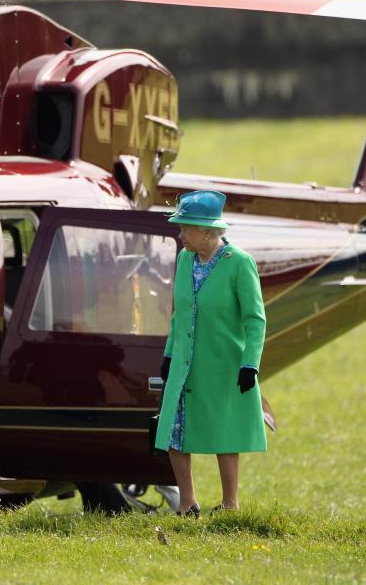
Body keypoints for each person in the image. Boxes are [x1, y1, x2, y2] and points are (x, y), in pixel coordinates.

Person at [153, 190, 266, 516]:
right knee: (173, 430)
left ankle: (230, 505)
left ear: (207, 232)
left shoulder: (240, 264)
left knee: (224, 432)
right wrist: (169, 353)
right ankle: (187, 503)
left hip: (223, 364)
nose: (180, 234)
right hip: (185, 364)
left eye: (185, 228)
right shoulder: (185, 259)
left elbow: (255, 320)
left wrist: (250, 364)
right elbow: (180, 312)